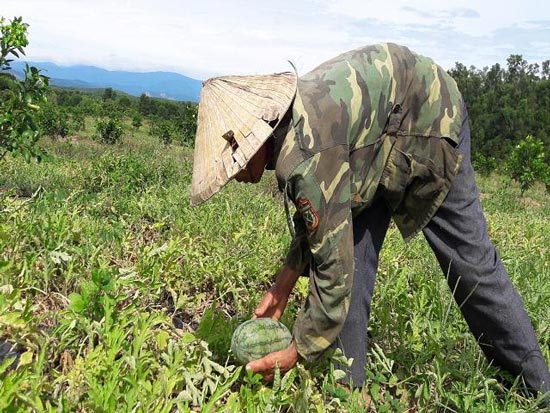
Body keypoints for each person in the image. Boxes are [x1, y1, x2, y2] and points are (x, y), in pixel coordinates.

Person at [190, 43, 550, 398]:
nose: (233, 175)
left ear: (255, 136)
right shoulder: (292, 128)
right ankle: (349, 388)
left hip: (428, 118)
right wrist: (281, 286)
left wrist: (298, 350)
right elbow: (320, 220)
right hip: (375, 144)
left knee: (471, 267)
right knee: (354, 251)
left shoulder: (307, 150)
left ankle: (537, 388)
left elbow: (332, 265)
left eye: (233, 163)